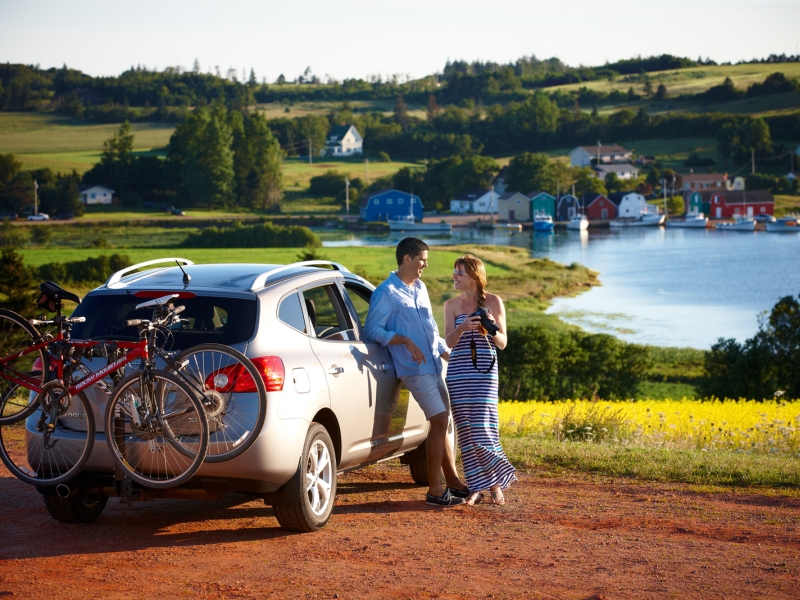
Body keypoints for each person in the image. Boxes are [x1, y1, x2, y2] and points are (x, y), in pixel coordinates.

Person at [365, 237, 470, 507]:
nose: (426, 264)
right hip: (412, 369)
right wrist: (403, 340)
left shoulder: (420, 287)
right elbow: (372, 330)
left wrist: (448, 354)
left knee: (443, 423)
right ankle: (435, 490)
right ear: (407, 259)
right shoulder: (385, 292)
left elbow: (432, 329)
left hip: (434, 365)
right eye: (422, 259)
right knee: (438, 420)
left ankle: (453, 482)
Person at [444, 254, 517, 505]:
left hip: (485, 373)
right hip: (458, 373)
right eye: (455, 271)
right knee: (465, 431)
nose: (455, 276)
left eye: (460, 272)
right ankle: (475, 486)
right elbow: (449, 343)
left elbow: (503, 343)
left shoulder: (494, 301)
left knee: (484, 428)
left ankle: (495, 484)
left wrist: (492, 327)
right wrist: (463, 327)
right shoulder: (450, 306)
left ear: (474, 277)